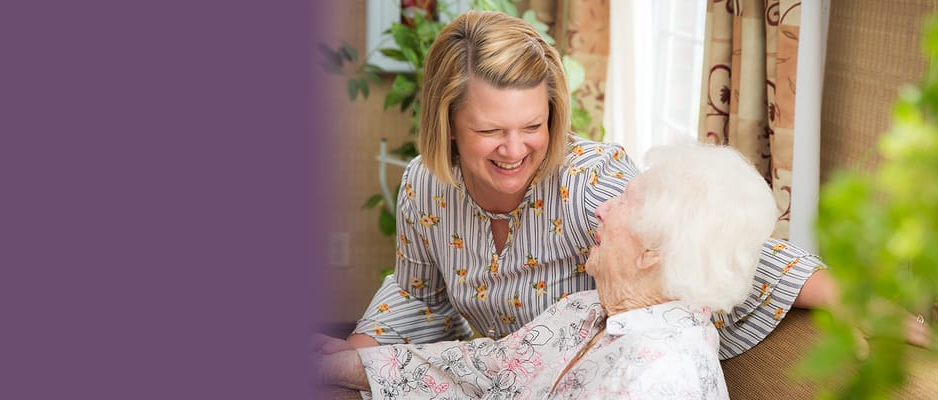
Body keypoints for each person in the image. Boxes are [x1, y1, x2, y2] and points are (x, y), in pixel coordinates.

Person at [322, 10, 831, 360]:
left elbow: (710, 242)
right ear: (448, 123)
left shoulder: (590, 183)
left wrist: (853, 296)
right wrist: (352, 357)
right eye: (490, 130)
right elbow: (419, 297)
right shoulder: (425, 185)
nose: (514, 150)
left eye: (532, 125)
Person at [319, 143, 778, 398]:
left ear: (652, 252)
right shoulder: (586, 310)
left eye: (624, 202)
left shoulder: (656, 377)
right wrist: (353, 364)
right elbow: (487, 367)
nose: (602, 210)